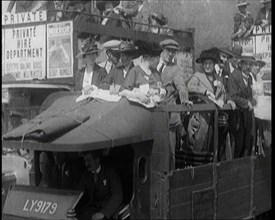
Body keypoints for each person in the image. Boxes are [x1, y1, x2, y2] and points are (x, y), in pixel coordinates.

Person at [187, 49, 236, 158]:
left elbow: (223, 93)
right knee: (200, 144)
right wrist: (204, 91)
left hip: (215, 118)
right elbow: (189, 87)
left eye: (210, 63)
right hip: (201, 118)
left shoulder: (218, 79)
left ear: (214, 64)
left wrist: (228, 100)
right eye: (205, 64)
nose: (207, 66)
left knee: (215, 145)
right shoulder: (197, 76)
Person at [157, 39, 192, 168]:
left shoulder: (175, 69)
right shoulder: (152, 64)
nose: (170, 54)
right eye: (168, 50)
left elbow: (181, 86)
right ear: (162, 50)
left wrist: (184, 99)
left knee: (169, 151)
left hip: (168, 116)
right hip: (150, 115)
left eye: (173, 52)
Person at [76, 150, 123, 220]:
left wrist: (104, 213)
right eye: (85, 161)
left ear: (97, 160)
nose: (86, 164)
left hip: (109, 209)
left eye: (89, 161)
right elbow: (78, 194)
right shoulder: (85, 176)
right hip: (92, 209)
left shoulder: (110, 172)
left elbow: (117, 195)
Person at [227, 52, 256, 158]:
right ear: (240, 64)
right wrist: (247, 103)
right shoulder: (234, 76)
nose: (248, 67)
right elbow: (233, 96)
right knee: (237, 145)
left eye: (250, 64)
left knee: (247, 143)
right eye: (246, 64)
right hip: (237, 117)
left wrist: (253, 101)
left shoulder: (249, 78)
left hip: (246, 116)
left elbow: (250, 96)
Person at [119, 40, 166, 105]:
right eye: (158, 58)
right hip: (138, 110)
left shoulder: (156, 73)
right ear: (150, 58)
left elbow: (163, 90)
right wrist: (137, 95)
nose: (159, 61)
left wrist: (157, 91)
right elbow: (122, 91)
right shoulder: (135, 71)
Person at [249, 55, 271, 154]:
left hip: (260, 110)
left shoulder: (259, 79)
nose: (257, 68)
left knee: (266, 127)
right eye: (255, 65)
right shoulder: (248, 77)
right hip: (250, 109)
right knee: (251, 134)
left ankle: (265, 147)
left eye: (259, 66)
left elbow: (261, 94)